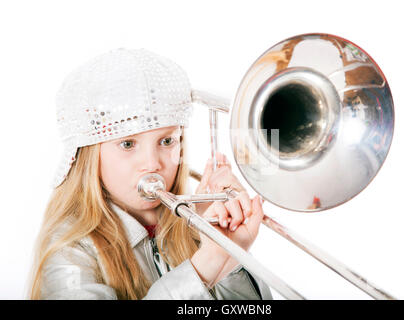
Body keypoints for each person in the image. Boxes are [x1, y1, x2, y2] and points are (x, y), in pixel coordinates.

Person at [28, 48, 273, 300]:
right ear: (90, 156)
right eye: (127, 144)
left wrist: (230, 257)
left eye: (166, 141)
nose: (152, 163)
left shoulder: (197, 224)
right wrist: (206, 265)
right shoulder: (70, 249)